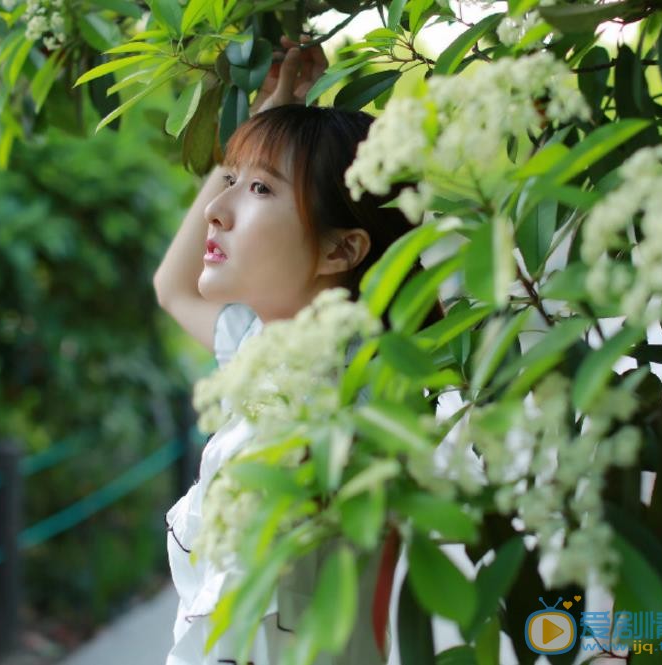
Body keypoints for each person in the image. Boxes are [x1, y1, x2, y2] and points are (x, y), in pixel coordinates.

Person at [153, 33, 423, 665]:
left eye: (260, 190)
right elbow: (172, 288)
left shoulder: (358, 402)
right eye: (232, 182)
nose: (217, 211)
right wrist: (262, 129)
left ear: (340, 250)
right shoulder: (265, 350)